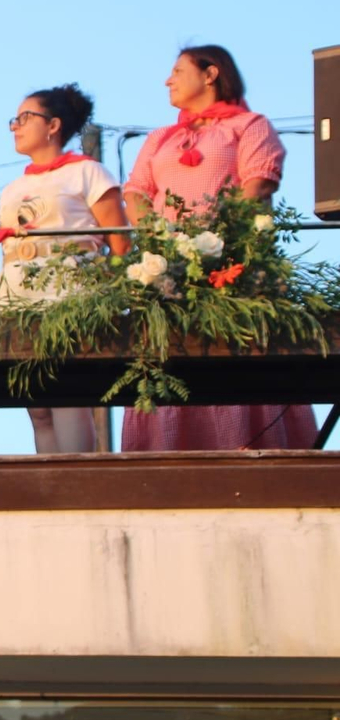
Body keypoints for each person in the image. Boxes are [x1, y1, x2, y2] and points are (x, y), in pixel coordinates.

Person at [121, 45, 316, 451]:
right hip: (167, 273)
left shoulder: (249, 125)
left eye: (178, 71)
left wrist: (214, 244)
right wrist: (160, 243)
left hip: (233, 269)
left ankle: (246, 459)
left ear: (210, 75)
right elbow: (136, 192)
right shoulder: (160, 137)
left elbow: (257, 185)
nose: (168, 80)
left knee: (233, 357)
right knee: (168, 360)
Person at [0, 84, 130, 453]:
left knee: (68, 397)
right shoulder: (13, 188)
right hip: (19, 301)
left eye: (25, 118)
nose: (15, 126)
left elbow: (121, 243)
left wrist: (112, 297)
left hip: (70, 298)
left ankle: (78, 480)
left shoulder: (89, 172)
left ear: (53, 125)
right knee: (38, 408)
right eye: (14, 120)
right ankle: (46, 481)